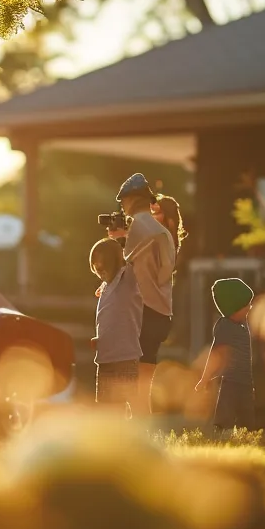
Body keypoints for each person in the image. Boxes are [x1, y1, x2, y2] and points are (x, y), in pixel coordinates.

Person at [109, 173, 176, 416]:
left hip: (140, 312)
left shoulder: (137, 226)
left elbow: (121, 268)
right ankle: (146, 431)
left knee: (130, 380)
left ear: (129, 201)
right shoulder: (164, 232)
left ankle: (137, 433)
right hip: (161, 312)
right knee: (145, 382)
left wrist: (116, 242)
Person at [90, 237, 142, 415]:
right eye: (96, 269)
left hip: (125, 357)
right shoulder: (105, 287)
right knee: (107, 408)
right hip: (105, 358)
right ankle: (112, 439)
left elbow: (139, 253)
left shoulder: (127, 280)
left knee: (127, 403)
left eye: (102, 267)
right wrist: (100, 338)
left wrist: (122, 241)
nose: (99, 272)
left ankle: (132, 437)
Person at [198, 278, 256, 429]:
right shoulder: (225, 326)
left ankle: (248, 436)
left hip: (247, 382)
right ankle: (221, 433)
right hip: (230, 382)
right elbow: (215, 354)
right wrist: (205, 378)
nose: (250, 307)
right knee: (226, 414)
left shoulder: (244, 324)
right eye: (246, 305)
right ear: (233, 308)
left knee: (248, 417)